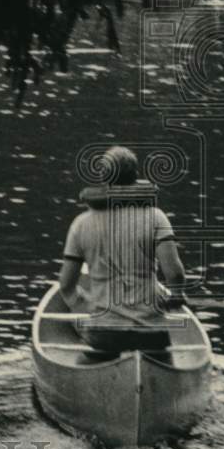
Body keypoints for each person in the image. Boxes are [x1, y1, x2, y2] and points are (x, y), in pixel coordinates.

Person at [58, 146, 186, 358]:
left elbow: (66, 285)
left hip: (105, 332)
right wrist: (177, 294)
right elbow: (174, 274)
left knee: (88, 360)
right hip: (150, 331)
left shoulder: (81, 223)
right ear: (136, 177)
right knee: (163, 362)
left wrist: (86, 305)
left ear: (103, 179)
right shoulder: (156, 217)